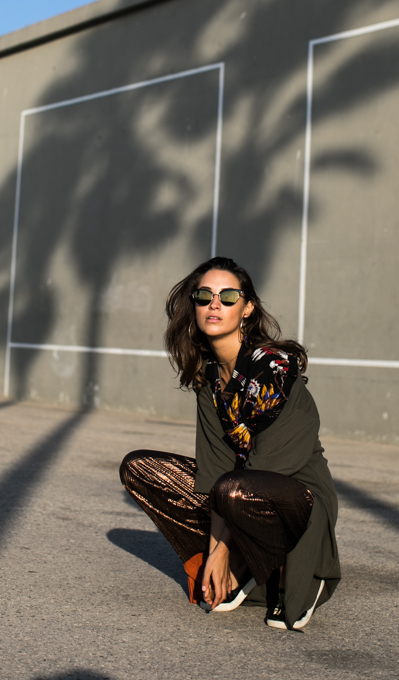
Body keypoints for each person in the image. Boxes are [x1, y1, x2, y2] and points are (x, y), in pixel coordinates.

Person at [120, 256, 341, 630]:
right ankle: (243, 569)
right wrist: (212, 552)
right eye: (204, 295)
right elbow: (214, 470)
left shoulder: (273, 368)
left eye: (228, 295)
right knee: (139, 468)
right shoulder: (209, 378)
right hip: (239, 491)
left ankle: (295, 574)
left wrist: (221, 551)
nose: (214, 304)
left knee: (235, 486)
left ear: (248, 308)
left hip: (300, 500)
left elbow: (263, 467)